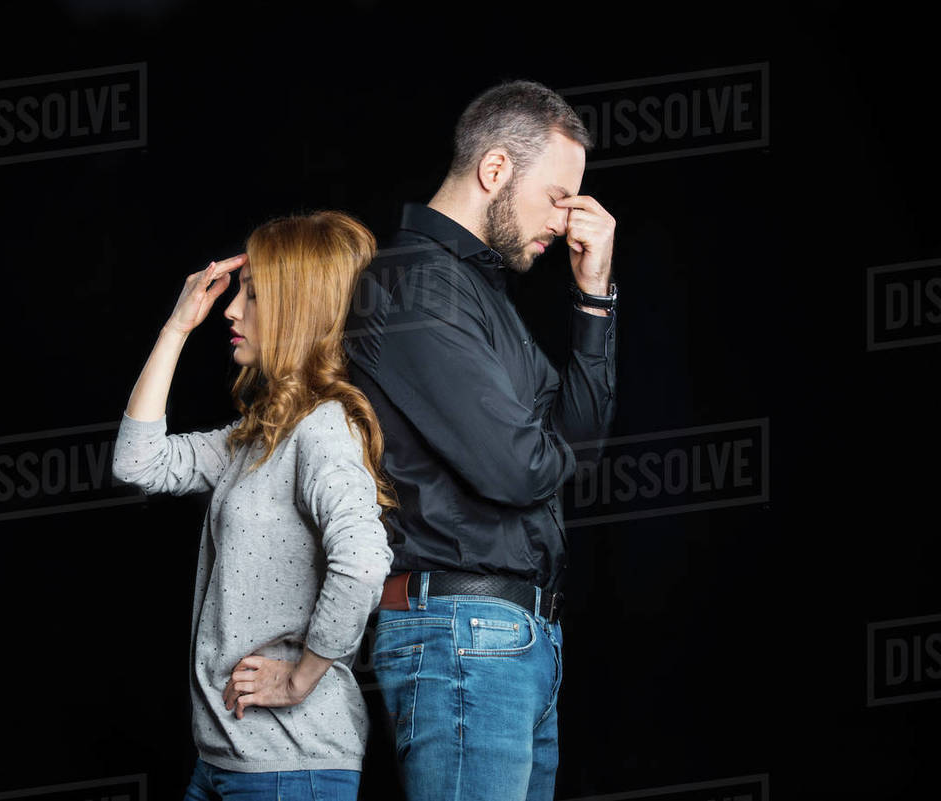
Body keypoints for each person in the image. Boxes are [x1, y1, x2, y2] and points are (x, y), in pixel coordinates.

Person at [342, 79, 619, 800]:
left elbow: (576, 448)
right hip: (464, 636)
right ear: (495, 170)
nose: (570, 221)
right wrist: (546, 444)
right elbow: (521, 469)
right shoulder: (410, 284)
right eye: (559, 196)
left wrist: (594, 297)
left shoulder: (478, 293)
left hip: (513, 640)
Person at [111, 210, 398, 801]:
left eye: (255, 296)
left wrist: (299, 680)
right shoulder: (258, 434)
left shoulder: (323, 429)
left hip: (292, 764)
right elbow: (136, 464)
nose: (231, 310)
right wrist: (175, 330)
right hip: (224, 758)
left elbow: (365, 562)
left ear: (299, 309)